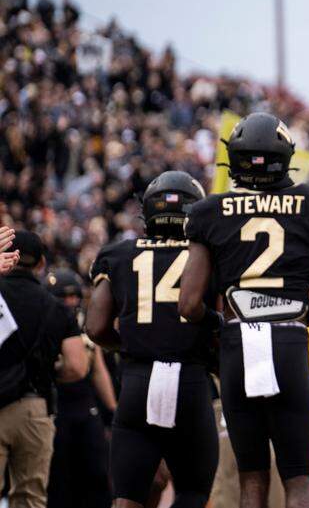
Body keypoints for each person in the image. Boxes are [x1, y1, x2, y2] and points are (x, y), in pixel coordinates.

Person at [178, 112, 309, 508]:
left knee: (252, 479)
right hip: (289, 340)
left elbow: (188, 304)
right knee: (299, 477)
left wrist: (219, 323)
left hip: (239, 341)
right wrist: (304, 317)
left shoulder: (209, 211)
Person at [85, 171, 220, 508]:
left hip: (138, 379)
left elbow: (95, 327)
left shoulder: (117, 254)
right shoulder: (212, 255)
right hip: (190, 378)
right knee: (191, 493)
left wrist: (131, 345)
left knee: (127, 498)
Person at [0, 230, 89, 508]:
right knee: (30, 497)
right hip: (35, 407)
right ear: (40, 264)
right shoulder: (56, 307)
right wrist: (48, 373)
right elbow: (77, 365)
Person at [45, 268, 115, 508]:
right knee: (59, 478)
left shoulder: (85, 325)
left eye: (74, 296)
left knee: (96, 471)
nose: (70, 302)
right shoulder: (44, 322)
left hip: (85, 407)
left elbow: (98, 371)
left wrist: (114, 408)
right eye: (63, 297)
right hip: (55, 407)